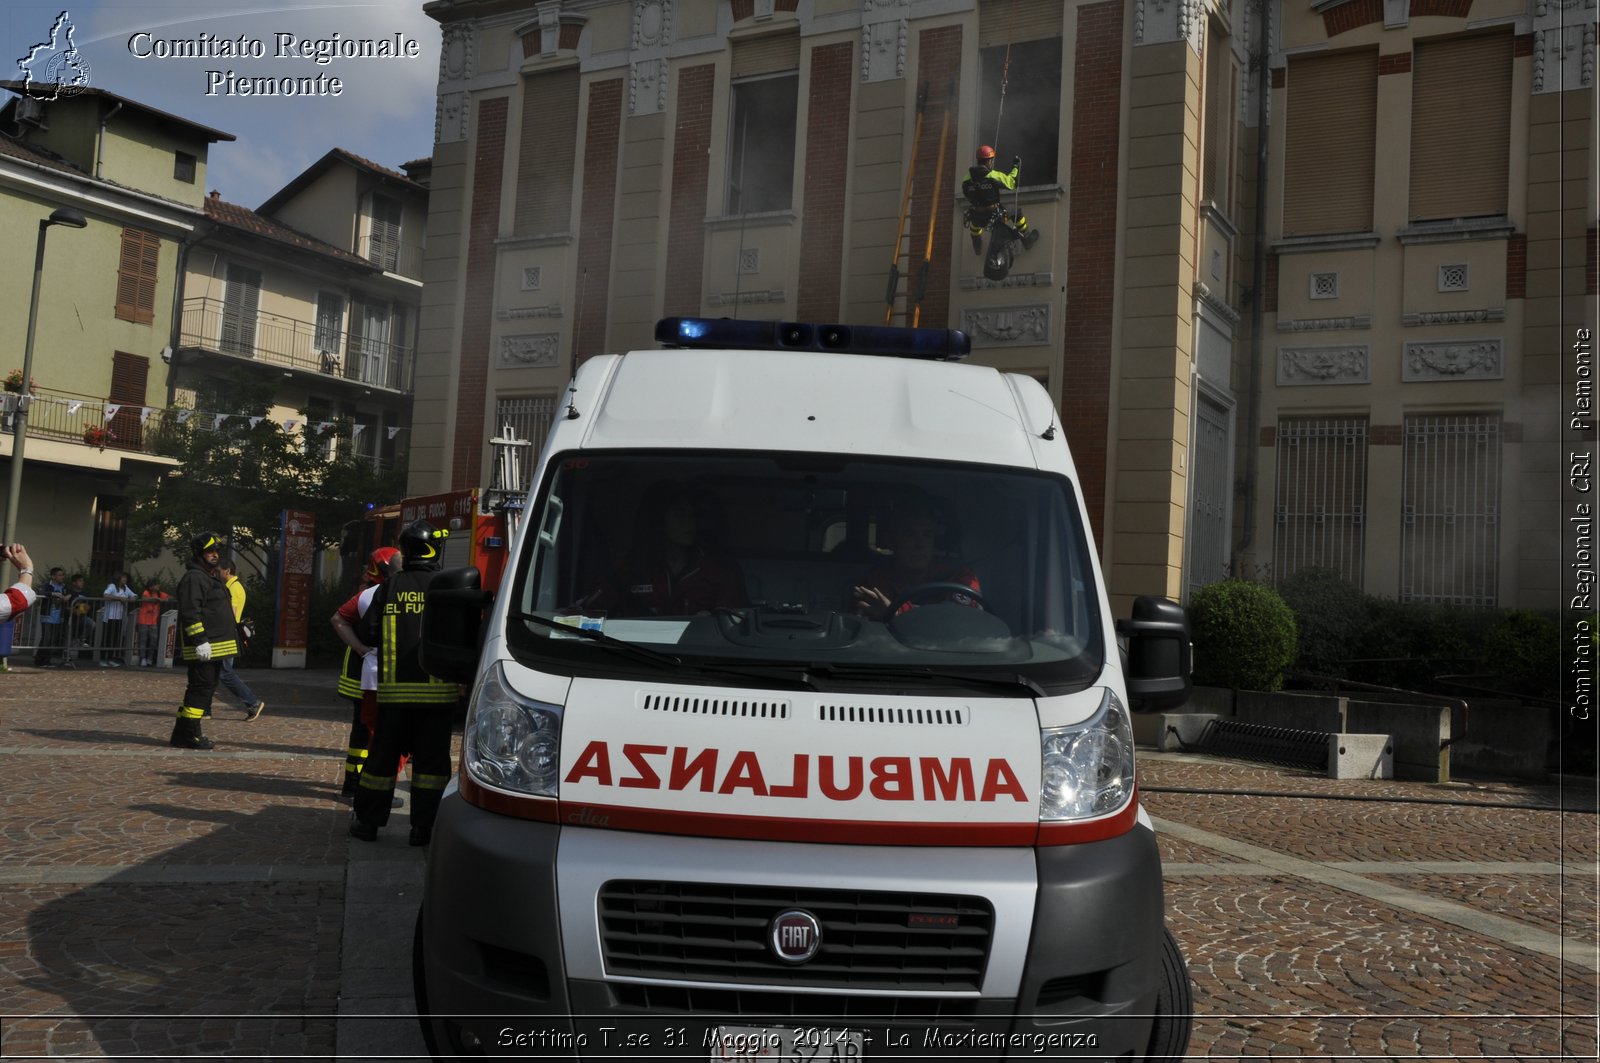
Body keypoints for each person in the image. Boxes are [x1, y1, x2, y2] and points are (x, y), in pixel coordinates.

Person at [350, 520, 459, 845]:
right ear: (433, 549)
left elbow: (367, 634)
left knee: (381, 762)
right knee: (431, 767)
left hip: (394, 696)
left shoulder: (389, 586)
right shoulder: (447, 586)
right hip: (437, 698)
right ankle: (422, 830)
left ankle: (368, 825)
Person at [581, 489, 745, 617]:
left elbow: (734, 624)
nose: (690, 523)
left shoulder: (719, 570)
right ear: (659, 520)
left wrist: (710, 624)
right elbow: (588, 611)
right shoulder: (630, 568)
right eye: (680, 515)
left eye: (693, 516)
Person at [330, 546, 401, 798]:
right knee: (369, 730)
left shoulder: (366, 592)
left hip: (358, 665)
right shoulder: (374, 593)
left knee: (361, 729)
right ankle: (360, 783)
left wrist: (359, 649)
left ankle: (352, 782)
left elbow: (340, 620)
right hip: (365, 668)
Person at [850, 496, 981, 621]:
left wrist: (896, 613)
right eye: (909, 534)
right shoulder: (876, 584)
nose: (920, 545)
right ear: (891, 541)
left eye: (927, 535)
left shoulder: (960, 578)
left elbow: (956, 622)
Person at [168, 532, 236, 751]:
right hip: (205, 646)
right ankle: (191, 736)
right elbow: (191, 612)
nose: (215, 555)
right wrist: (199, 641)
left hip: (214, 646)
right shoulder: (194, 578)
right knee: (201, 690)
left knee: (202, 689)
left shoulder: (208, 577)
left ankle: (181, 735)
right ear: (199, 553)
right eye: (210, 551)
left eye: (217, 551)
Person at [961, 144, 1039, 255]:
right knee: (1015, 210)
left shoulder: (966, 178)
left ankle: (977, 248)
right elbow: (1012, 183)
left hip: (977, 216)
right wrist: (1015, 167)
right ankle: (1027, 240)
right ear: (989, 161)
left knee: (974, 226)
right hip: (994, 215)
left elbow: (966, 192)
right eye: (992, 161)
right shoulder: (993, 175)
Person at [212, 560, 266, 721]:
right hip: (227, 634)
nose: (216, 572)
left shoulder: (233, 588)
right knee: (214, 672)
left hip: (227, 634)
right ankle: (204, 709)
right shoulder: (232, 586)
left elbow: (230, 613)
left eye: (219, 570)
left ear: (227, 570)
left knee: (224, 672)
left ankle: (252, 702)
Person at [32, 568, 68, 668]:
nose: (62, 577)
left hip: (58, 616)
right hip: (47, 616)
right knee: (46, 638)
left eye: (62, 575)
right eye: (60, 575)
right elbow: (41, 592)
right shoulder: (47, 585)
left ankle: (47, 661)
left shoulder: (64, 587)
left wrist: (66, 597)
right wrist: (53, 594)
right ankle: (40, 660)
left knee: (53, 640)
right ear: (53, 576)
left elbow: (70, 594)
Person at [100, 572, 137, 667]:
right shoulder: (112, 586)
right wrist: (119, 598)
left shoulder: (125, 587)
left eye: (126, 577)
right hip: (110, 616)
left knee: (115, 639)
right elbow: (106, 595)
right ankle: (103, 659)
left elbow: (133, 595)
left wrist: (133, 598)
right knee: (107, 638)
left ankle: (112, 658)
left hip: (119, 617)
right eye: (123, 577)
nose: (125, 579)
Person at [135, 579, 169, 667]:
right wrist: (156, 598)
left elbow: (168, 597)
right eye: (156, 585)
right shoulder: (146, 592)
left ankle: (150, 658)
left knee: (153, 640)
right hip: (143, 620)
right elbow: (144, 598)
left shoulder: (160, 594)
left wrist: (165, 600)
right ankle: (143, 658)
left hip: (153, 621)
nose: (158, 586)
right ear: (151, 586)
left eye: (158, 585)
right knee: (143, 640)